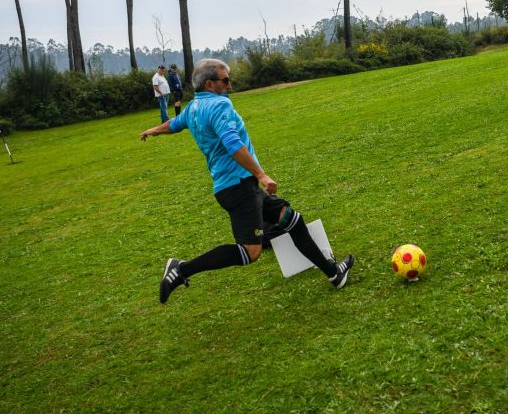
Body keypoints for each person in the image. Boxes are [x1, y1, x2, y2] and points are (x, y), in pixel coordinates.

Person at [140, 58, 354, 303]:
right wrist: (261, 175)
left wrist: (153, 130)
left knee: (290, 219)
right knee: (250, 252)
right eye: (226, 80)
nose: (230, 85)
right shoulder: (219, 107)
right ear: (210, 84)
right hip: (238, 188)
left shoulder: (194, 108)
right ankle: (182, 269)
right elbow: (232, 144)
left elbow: (175, 125)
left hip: (238, 185)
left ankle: (334, 274)